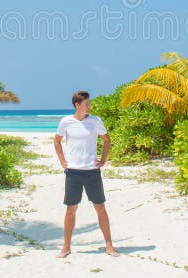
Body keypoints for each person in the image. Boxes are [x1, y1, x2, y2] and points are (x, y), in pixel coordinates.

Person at [53, 90, 119, 258]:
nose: (89, 106)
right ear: (77, 105)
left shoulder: (95, 121)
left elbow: (106, 140)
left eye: (89, 103)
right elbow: (57, 140)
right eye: (87, 104)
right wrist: (62, 160)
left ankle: (109, 245)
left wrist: (103, 159)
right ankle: (66, 247)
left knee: (100, 208)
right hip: (73, 172)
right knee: (71, 209)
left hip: (92, 172)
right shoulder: (66, 122)